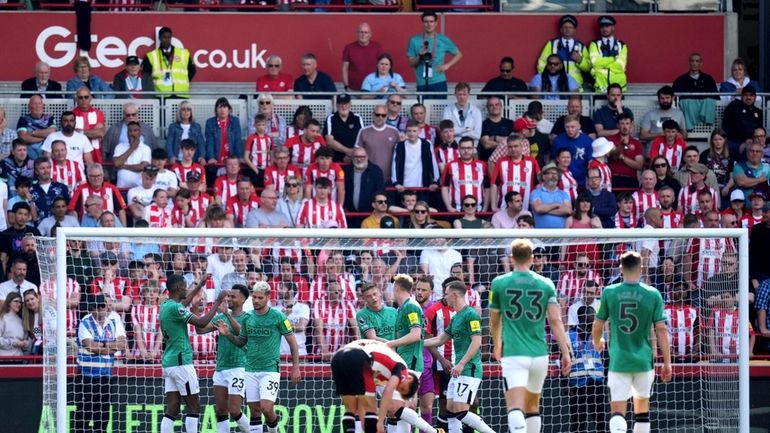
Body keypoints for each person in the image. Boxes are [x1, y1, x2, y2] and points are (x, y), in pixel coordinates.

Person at [592, 251, 672, 433]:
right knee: (642, 413)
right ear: (641, 268)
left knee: (617, 413)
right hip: (644, 361)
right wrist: (667, 362)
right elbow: (661, 329)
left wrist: (598, 341)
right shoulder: (653, 294)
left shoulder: (609, 292)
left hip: (619, 361)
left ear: (620, 268)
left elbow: (597, 325)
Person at [216, 281, 301, 433]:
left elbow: (293, 344)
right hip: (249, 370)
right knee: (254, 410)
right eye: (254, 297)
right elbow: (241, 342)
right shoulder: (248, 317)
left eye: (260, 298)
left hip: (269, 370)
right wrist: (228, 334)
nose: (256, 301)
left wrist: (296, 368)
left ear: (268, 297)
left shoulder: (278, 317)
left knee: (266, 408)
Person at [425, 280, 495, 433]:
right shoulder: (456, 317)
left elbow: (476, 342)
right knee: (450, 410)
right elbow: (440, 339)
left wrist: (462, 363)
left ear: (455, 295)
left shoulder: (471, 315)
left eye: (447, 294)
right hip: (458, 371)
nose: (445, 298)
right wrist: (417, 343)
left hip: (469, 369)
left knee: (461, 410)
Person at [159, 274, 225, 433]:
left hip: (169, 362)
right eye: (184, 286)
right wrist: (217, 302)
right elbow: (201, 323)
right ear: (177, 289)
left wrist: (200, 285)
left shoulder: (166, 305)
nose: (186, 289)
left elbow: (184, 303)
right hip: (182, 363)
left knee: (172, 409)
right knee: (194, 406)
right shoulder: (175, 308)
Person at [194, 284, 251, 433]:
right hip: (220, 368)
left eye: (233, 296)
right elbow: (200, 330)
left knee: (235, 410)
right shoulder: (221, 316)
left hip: (238, 368)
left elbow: (243, 335)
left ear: (243, 299)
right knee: (221, 411)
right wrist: (195, 310)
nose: (229, 299)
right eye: (229, 296)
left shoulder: (248, 317)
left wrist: (227, 315)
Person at [330, 339, 419, 433]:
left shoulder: (380, 369)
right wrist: (380, 422)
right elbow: (388, 391)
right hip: (358, 356)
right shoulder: (402, 369)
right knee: (371, 408)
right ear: (409, 378)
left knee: (351, 409)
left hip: (337, 358)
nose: (397, 388)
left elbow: (362, 399)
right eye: (402, 388)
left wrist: (364, 422)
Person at [74, 293, 128, 433]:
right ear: (92, 308)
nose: (101, 309)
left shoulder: (114, 322)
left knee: (103, 414)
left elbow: (122, 344)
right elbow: (90, 346)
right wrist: (109, 347)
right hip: (87, 376)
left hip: (105, 376)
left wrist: (102, 346)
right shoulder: (85, 322)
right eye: (97, 307)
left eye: (103, 306)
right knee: (84, 413)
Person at [567, 305, 605, 433]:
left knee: (600, 423)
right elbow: (563, 361)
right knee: (578, 424)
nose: (594, 318)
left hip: (596, 384)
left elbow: (606, 358)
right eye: (591, 315)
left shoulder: (599, 335)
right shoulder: (569, 336)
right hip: (577, 385)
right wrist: (565, 384)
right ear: (582, 318)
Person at [407, 11, 463, 96]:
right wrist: (419, 56)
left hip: (439, 81)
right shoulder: (414, 40)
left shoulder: (443, 39)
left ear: (436, 23)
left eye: (431, 21)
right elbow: (411, 63)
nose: (429, 24)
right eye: (426, 22)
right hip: (422, 82)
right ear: (422, 23)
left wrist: (447, 65)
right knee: (423, 109)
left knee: (439, 108)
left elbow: (459, 54)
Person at [536, 15, 590, 90]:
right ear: (561, 29)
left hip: (575, 87)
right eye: (565, 27)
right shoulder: (551, 44)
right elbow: (541, 64)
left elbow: (588, 68)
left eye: (570, 27)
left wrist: (580, 60)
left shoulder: (581, 46)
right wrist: (549, 80)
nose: (567, 30)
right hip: (555, 88)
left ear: (575, 30)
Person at [143, 27, 196, 98]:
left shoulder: (184, 53)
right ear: (159, 38)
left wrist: (183, 81)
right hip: (161, 95)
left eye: (169, 37)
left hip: (181, 94)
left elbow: (192, 70)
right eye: (164, 37)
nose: (167, 40)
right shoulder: (151, 55)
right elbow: (145, 76)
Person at [671, 53, 719, 131]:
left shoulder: (708, 79)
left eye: (697, 61)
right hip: (685, 115)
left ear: (701, 63)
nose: (694, 63)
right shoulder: (680, 80)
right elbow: (673, 97)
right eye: (692, 61)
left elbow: (716, 97)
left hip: (705, 120)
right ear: (689, 62)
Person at [355, 105, 400, 182]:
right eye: (377, 114)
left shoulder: (394, 132)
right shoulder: (363, 131)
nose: (380, 117)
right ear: (373, 115)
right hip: (369, 177)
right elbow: (357, 154)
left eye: (383, 115)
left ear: (387, 116)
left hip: (390, 178)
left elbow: (400, 155)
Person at [441, 137, 488, 212]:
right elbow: (444, 187)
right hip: (456, 210)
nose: (466, 151)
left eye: (469, 148)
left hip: (478, 210)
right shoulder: (450, 166)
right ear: (459, 149)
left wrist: (485, 207)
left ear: (473, 149)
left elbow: (487, 188)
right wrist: (449, 207)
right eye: (463, 148)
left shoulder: (482, 166)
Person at [588, 15, 628, 93]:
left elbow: (620, 66)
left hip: (618, 88)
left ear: (613, 27)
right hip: (600, 87)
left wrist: (602, 65)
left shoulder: (622, 45)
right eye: (602, 26)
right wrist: (613, 59)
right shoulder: (594, 44)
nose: (604, 29)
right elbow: (595, 63)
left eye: (607, 26)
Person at [722, 85, 763, 159]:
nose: (748, 98)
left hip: (754, 141)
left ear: (755, 97)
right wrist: (746, 139)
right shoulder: (734, 107)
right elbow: (731, 127)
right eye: (746, 95)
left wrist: (754, 139)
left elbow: (760, 129)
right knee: (748, 149)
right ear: (741, 97)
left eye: (751, 95)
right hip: (734, 140)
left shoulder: (758, 112)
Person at [551, 115, 593, 186]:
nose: (570, 130)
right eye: (567, 127)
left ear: (579, 126)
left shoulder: (587, 141)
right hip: (562, 182)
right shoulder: (558, 140)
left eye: (573, 127)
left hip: (582, 182)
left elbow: (591, 162)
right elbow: (553, 160)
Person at [342, 23, 384, 92]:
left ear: (370, 35)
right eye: (361, 32)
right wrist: (346, 86)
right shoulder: (349, 48)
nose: (363, 35)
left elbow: (383, 66)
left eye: (366, 32)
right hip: (354, 89)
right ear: (357, 34)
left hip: (373, 88)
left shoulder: (377, 47)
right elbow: (344, 68)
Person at [607, 113, 644, 190]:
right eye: (622, 123)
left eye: (627, 123)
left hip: (631, 180)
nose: (625, 126)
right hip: (614, 178)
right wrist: (622, 145)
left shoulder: (637, 143)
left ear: (631, 125)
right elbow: (614, 156)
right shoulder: (610, 140)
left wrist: (623, 157)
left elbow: (639, 166)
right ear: (617, 125)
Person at [344, 147, 385, 216]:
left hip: (370, 214)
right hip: (350, 214)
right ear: (352, 158)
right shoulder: (347, 171)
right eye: (356, 157)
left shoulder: (376, 171)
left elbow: (380, 191)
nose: (359, 159)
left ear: (367, 157)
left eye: (362, 157)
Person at [530, 162, 571, 228]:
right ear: (543, 176)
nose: (553, 176)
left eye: (555, 173)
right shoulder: (536, 193)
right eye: (550, 173)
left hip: (561, 236)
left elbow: (568, 210)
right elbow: (538, 209)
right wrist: (556, 204)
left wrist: (545, 210)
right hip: (540, 236)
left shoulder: (564, 194)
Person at [324, 93, 364, 162]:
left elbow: (363, 138)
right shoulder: (331, 118)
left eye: (346, 104)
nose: (344, 107)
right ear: (336, 105)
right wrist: (348, 151)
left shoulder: (357, 118)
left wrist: (353, 154)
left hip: (355, 158)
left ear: (350, 104)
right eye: (341, 104)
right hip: (336, 159)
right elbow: (329, 141)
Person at [16, 95, 56, 160]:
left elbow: (52, 132)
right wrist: (44, 138)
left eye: (40, 103)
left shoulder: (50, 118)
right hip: (29, 158)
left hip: (47, 158)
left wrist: (32, 133)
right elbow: (22, 138)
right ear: (29, 107)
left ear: (43, 106)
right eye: (35, 104)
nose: (38, 106)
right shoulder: (23, 119)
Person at [72, 87, 107, 163]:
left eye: (86, 97)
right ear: (76, 99)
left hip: (96, 153)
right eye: (80, 97)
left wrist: (81, 132)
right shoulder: (71, 114)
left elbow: (100, 133)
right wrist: (93, 132)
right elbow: (72, 134)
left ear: (90, 98)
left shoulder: (98, 113)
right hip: (77, 153)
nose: (83, 99)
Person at [205, 97, 243, 166]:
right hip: (216, 159)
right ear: (216, 110)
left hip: (231, 159)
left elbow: (238, 140)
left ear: (229, 109)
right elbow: (210, 142)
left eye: (224, 107)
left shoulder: (235, 121)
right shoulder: (210, 122)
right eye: (219, 107)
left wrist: (239, 157)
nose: (222, 110)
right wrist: (211, 157)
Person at [479, 96, 514, 162]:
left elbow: (513, 142)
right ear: (487, 108)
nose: (494, 107)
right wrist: (505, 143)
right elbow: (486, 144)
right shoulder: (483, 124)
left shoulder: (510, 123)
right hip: (487, 162)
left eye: (497, 104)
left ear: (501, 106)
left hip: (507, 162)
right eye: (491, 105)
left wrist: (495, 138)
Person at [0, 292, 28, 356]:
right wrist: (14, 342)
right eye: (16, 301)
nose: (19, 304)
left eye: (20, 302)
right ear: (9, 303)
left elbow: (25, 338)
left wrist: (26, 343)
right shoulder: (2, 318)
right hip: (5, 359)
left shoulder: (22, 320)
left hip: (19, 359)